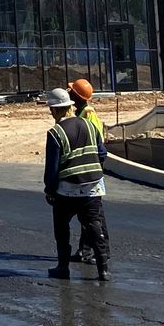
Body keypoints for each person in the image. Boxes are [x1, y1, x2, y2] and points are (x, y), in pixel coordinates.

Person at [42, 88, 109, 282]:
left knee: (61, 227)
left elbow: (52, 169)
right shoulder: (90, 126)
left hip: (68, 190)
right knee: (94, 225)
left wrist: (50, 190)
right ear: (70, 107)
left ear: (54, 110)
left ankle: (63, 268)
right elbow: (102, 153)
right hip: (92, 188)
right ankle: (103, 270)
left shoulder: (55, 133)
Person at [66, 79, 107, 266]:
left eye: (71, 91)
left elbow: (95, 141)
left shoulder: (87, 114)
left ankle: (96, 251)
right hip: (91, 165)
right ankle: (87, 250)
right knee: (90, 212)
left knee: (92, 213)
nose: (69, 92)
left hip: (90, 167)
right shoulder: (82, 112)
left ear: (77, 96)